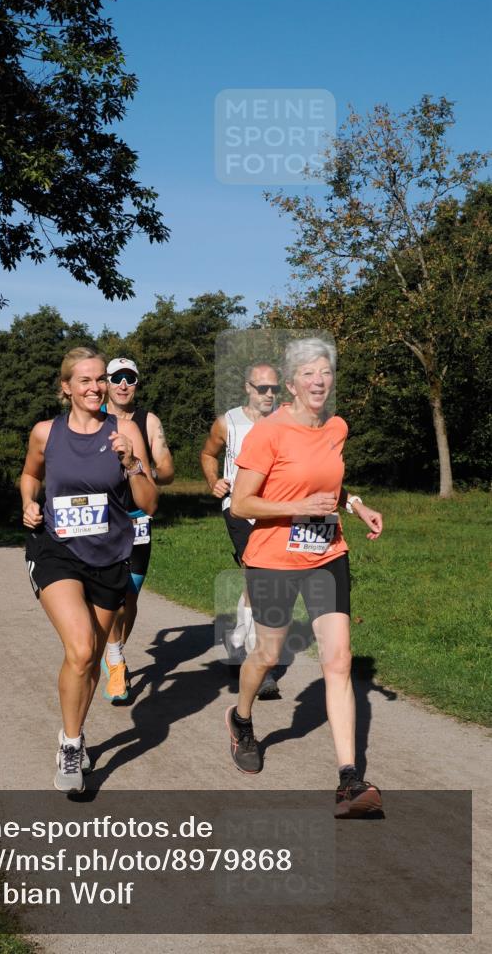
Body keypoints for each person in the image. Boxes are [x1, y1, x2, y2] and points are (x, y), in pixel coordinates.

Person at [225, 337, 384, 818]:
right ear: (291, 384)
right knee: (269, 652)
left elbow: (327, 482)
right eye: (309, 374)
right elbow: (241, 503)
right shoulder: (268, 433)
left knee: (338, 663)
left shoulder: (336, 427)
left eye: (326, 372)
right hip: (273, 557)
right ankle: (242, 718)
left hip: (327, 554)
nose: (319, 381)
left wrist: (355, 505)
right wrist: (297, 507)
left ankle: (349, 782)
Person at [20, 348, 157, 793]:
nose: (97, 387)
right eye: (85, 381)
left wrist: (131, 463)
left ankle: (71, 731)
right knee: (80, 649)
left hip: (109, 555)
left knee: (92, 658)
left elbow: (149, 503)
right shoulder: (45, 433)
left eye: (101, 379)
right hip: (56, 550)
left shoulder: (125, 429)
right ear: (66, 388)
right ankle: (72, 745)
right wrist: (28, 502)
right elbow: (30, 475)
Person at [200, 362, 281, 698]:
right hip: (238, 508)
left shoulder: (288, 422)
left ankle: (237, 638)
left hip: (275, 509)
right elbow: (208, 454)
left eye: (275, 389)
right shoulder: (228, 422)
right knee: (257, 576)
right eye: (262, 388)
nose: (269, 394)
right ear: (248, 388)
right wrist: (213, 481)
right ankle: (257, 664)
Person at [100, 357, 175, 702]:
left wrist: (144, 474)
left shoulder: (148, 421)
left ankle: (113, 648)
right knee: (111, 598)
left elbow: (167, 469)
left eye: (130, 378)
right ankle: (115, 660)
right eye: (117, 378)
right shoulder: (92, 418)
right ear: (107, 382)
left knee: (130, 596)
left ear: (137, 384)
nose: (123, 384)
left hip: (139, 517)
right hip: (104, 517)